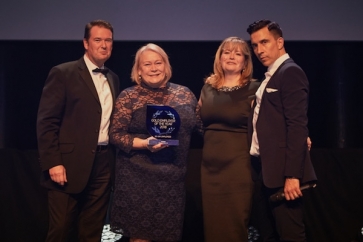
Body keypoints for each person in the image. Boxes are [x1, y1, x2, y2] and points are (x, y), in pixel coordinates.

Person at [37, 20, 120, 242]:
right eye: (98, 40)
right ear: (85, 43)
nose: (104, 45)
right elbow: (46, 122)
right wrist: (53, 162)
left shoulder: (113, 78)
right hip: (67, 165)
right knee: (61, 230)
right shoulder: (63, 73)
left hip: (103, 166)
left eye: (108, 40)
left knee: (92, 232)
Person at [109, 43, 201, 242]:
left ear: (166, 66)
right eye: (147, 64)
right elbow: (115, 134)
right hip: (137, 177)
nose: (153, 68)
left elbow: (201, 126)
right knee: (140, 237)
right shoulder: (129, 96)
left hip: (173, 177)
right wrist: (144, 144)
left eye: (158, 63)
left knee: (168, 235)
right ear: (139, 70)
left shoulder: (185, 94)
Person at [246, 19, 317, 241]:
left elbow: (297, 125)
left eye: (264, 42)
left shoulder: (290, 72)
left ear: (279, 42)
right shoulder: (271, 75)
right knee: (272, 234)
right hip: (267, 171)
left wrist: (293, 175)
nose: (259, 50)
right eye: (255, 45)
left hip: (284, 173)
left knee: (291, 234)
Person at [198, 37, 260, 242]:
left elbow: (271, 122)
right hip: (209, 168)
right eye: (227, 52)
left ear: (245, 61)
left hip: (238, 167)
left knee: (234, 224)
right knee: (212, 225)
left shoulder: (254, 89)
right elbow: (198, 122)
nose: (231, 56)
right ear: (219, 57)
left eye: (238, 53)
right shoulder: (207, 88)